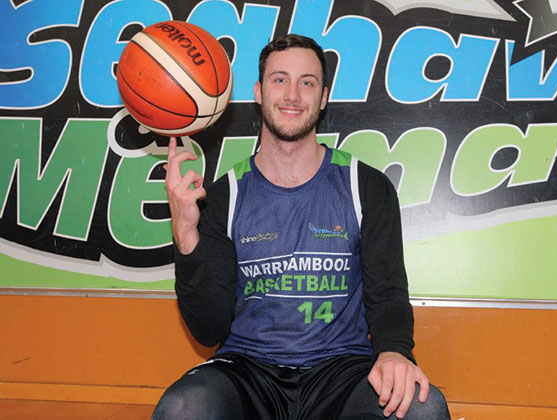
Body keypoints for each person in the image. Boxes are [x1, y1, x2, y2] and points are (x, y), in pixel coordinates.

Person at [153, 34, 450, 420]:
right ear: (258, 93)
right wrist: (186, 236)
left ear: (323, 96)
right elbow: (209, 329)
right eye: (279, 80)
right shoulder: (222, 196)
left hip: (342, 373)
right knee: (183, 408)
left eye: (306, 82)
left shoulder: (366, 187)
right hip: (247, 371)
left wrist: (395, 350)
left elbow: (388, 293)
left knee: (422, 409)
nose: (292, 94)